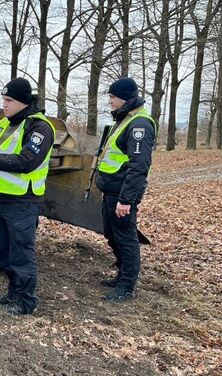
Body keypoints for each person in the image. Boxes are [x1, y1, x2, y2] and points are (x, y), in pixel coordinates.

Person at [0, 78, 55, 315]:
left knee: (21, 252)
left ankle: (26, 302)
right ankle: (12, 294)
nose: (4, 105)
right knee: (4, 251)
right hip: (4, 197)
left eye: (9, 100)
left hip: (24, 200)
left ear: (23, 102)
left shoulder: (40, 128)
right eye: (3, 100)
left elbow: (27, 162)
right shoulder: (5, 123)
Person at [95, 77, 156, 302]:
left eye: (113, 97)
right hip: (112, 190)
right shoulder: (125, 120)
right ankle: (121, 275)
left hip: (122, 193)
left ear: (125, 98)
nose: (110, 101)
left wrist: (126, 200)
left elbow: (139, 166)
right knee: (112, 234)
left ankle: (127, 286)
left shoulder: (139, 125)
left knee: (125, 238)